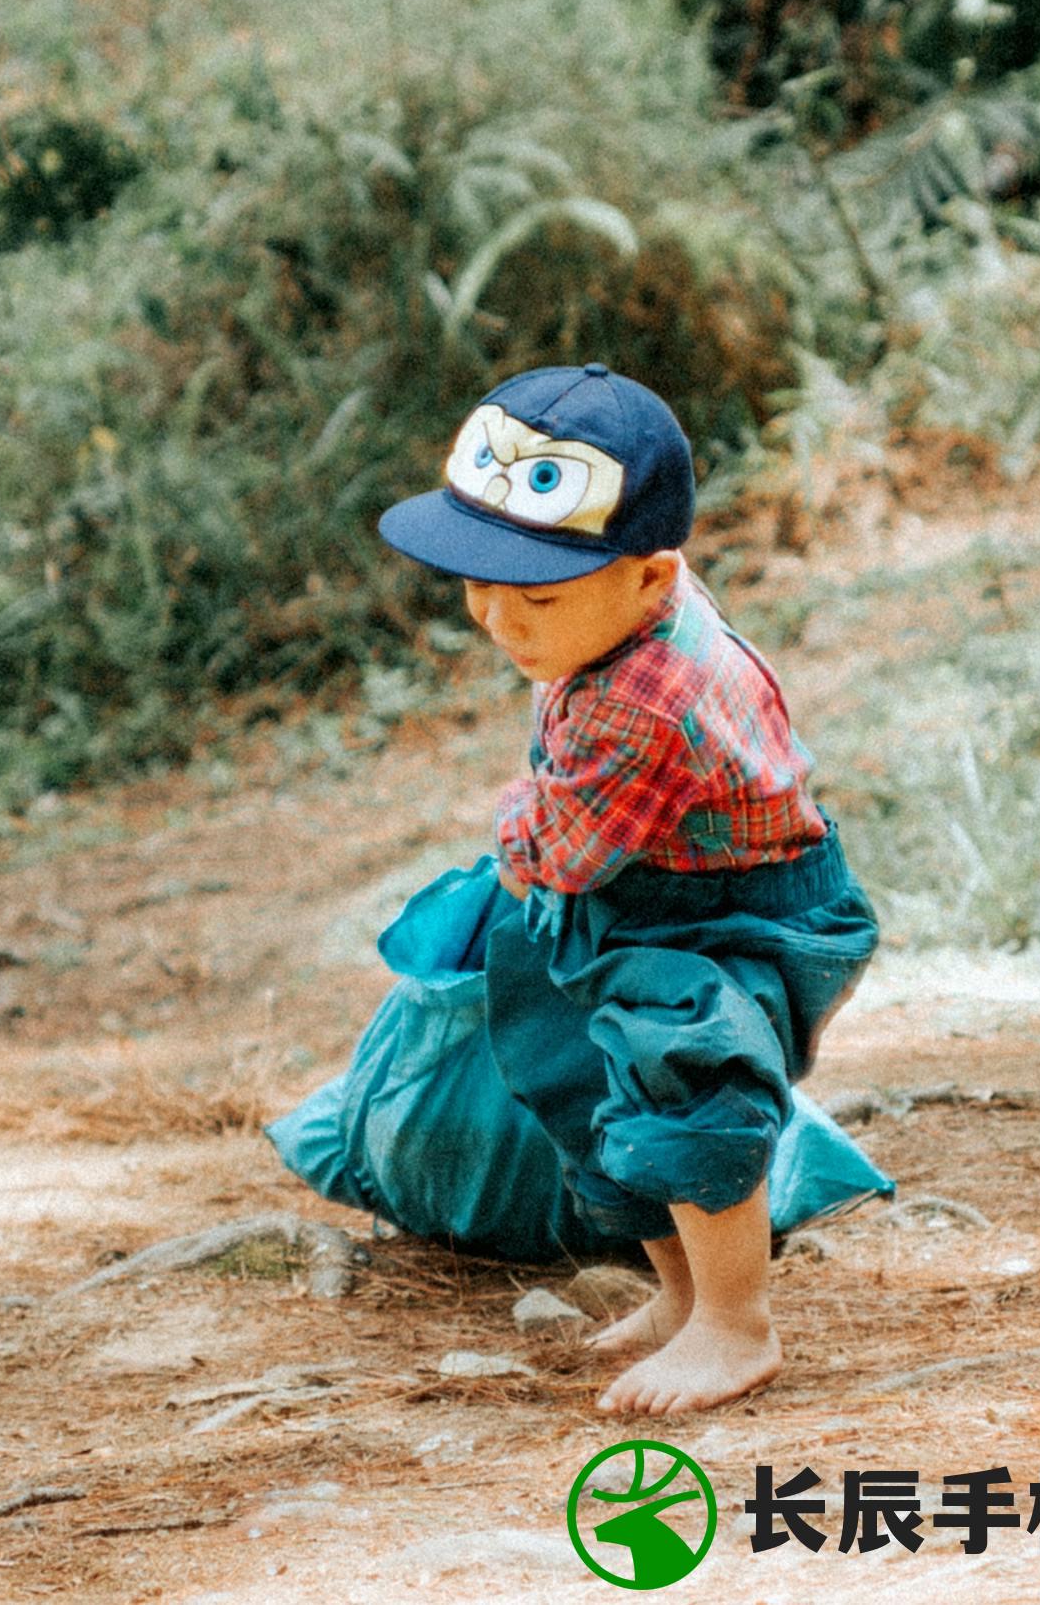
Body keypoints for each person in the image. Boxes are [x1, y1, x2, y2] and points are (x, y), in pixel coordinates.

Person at [376, 363, 878, 1416]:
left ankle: (737, 1327)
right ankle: (684, 1296)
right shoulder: (616, 610)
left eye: (536, 597)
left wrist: (512, 818)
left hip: (727, 912)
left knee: (687, 1080)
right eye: (478, 587)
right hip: (634, 889)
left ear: (652, 581)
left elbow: (554, 852)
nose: (498, 621)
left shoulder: (643, 704)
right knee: (582, 1078)